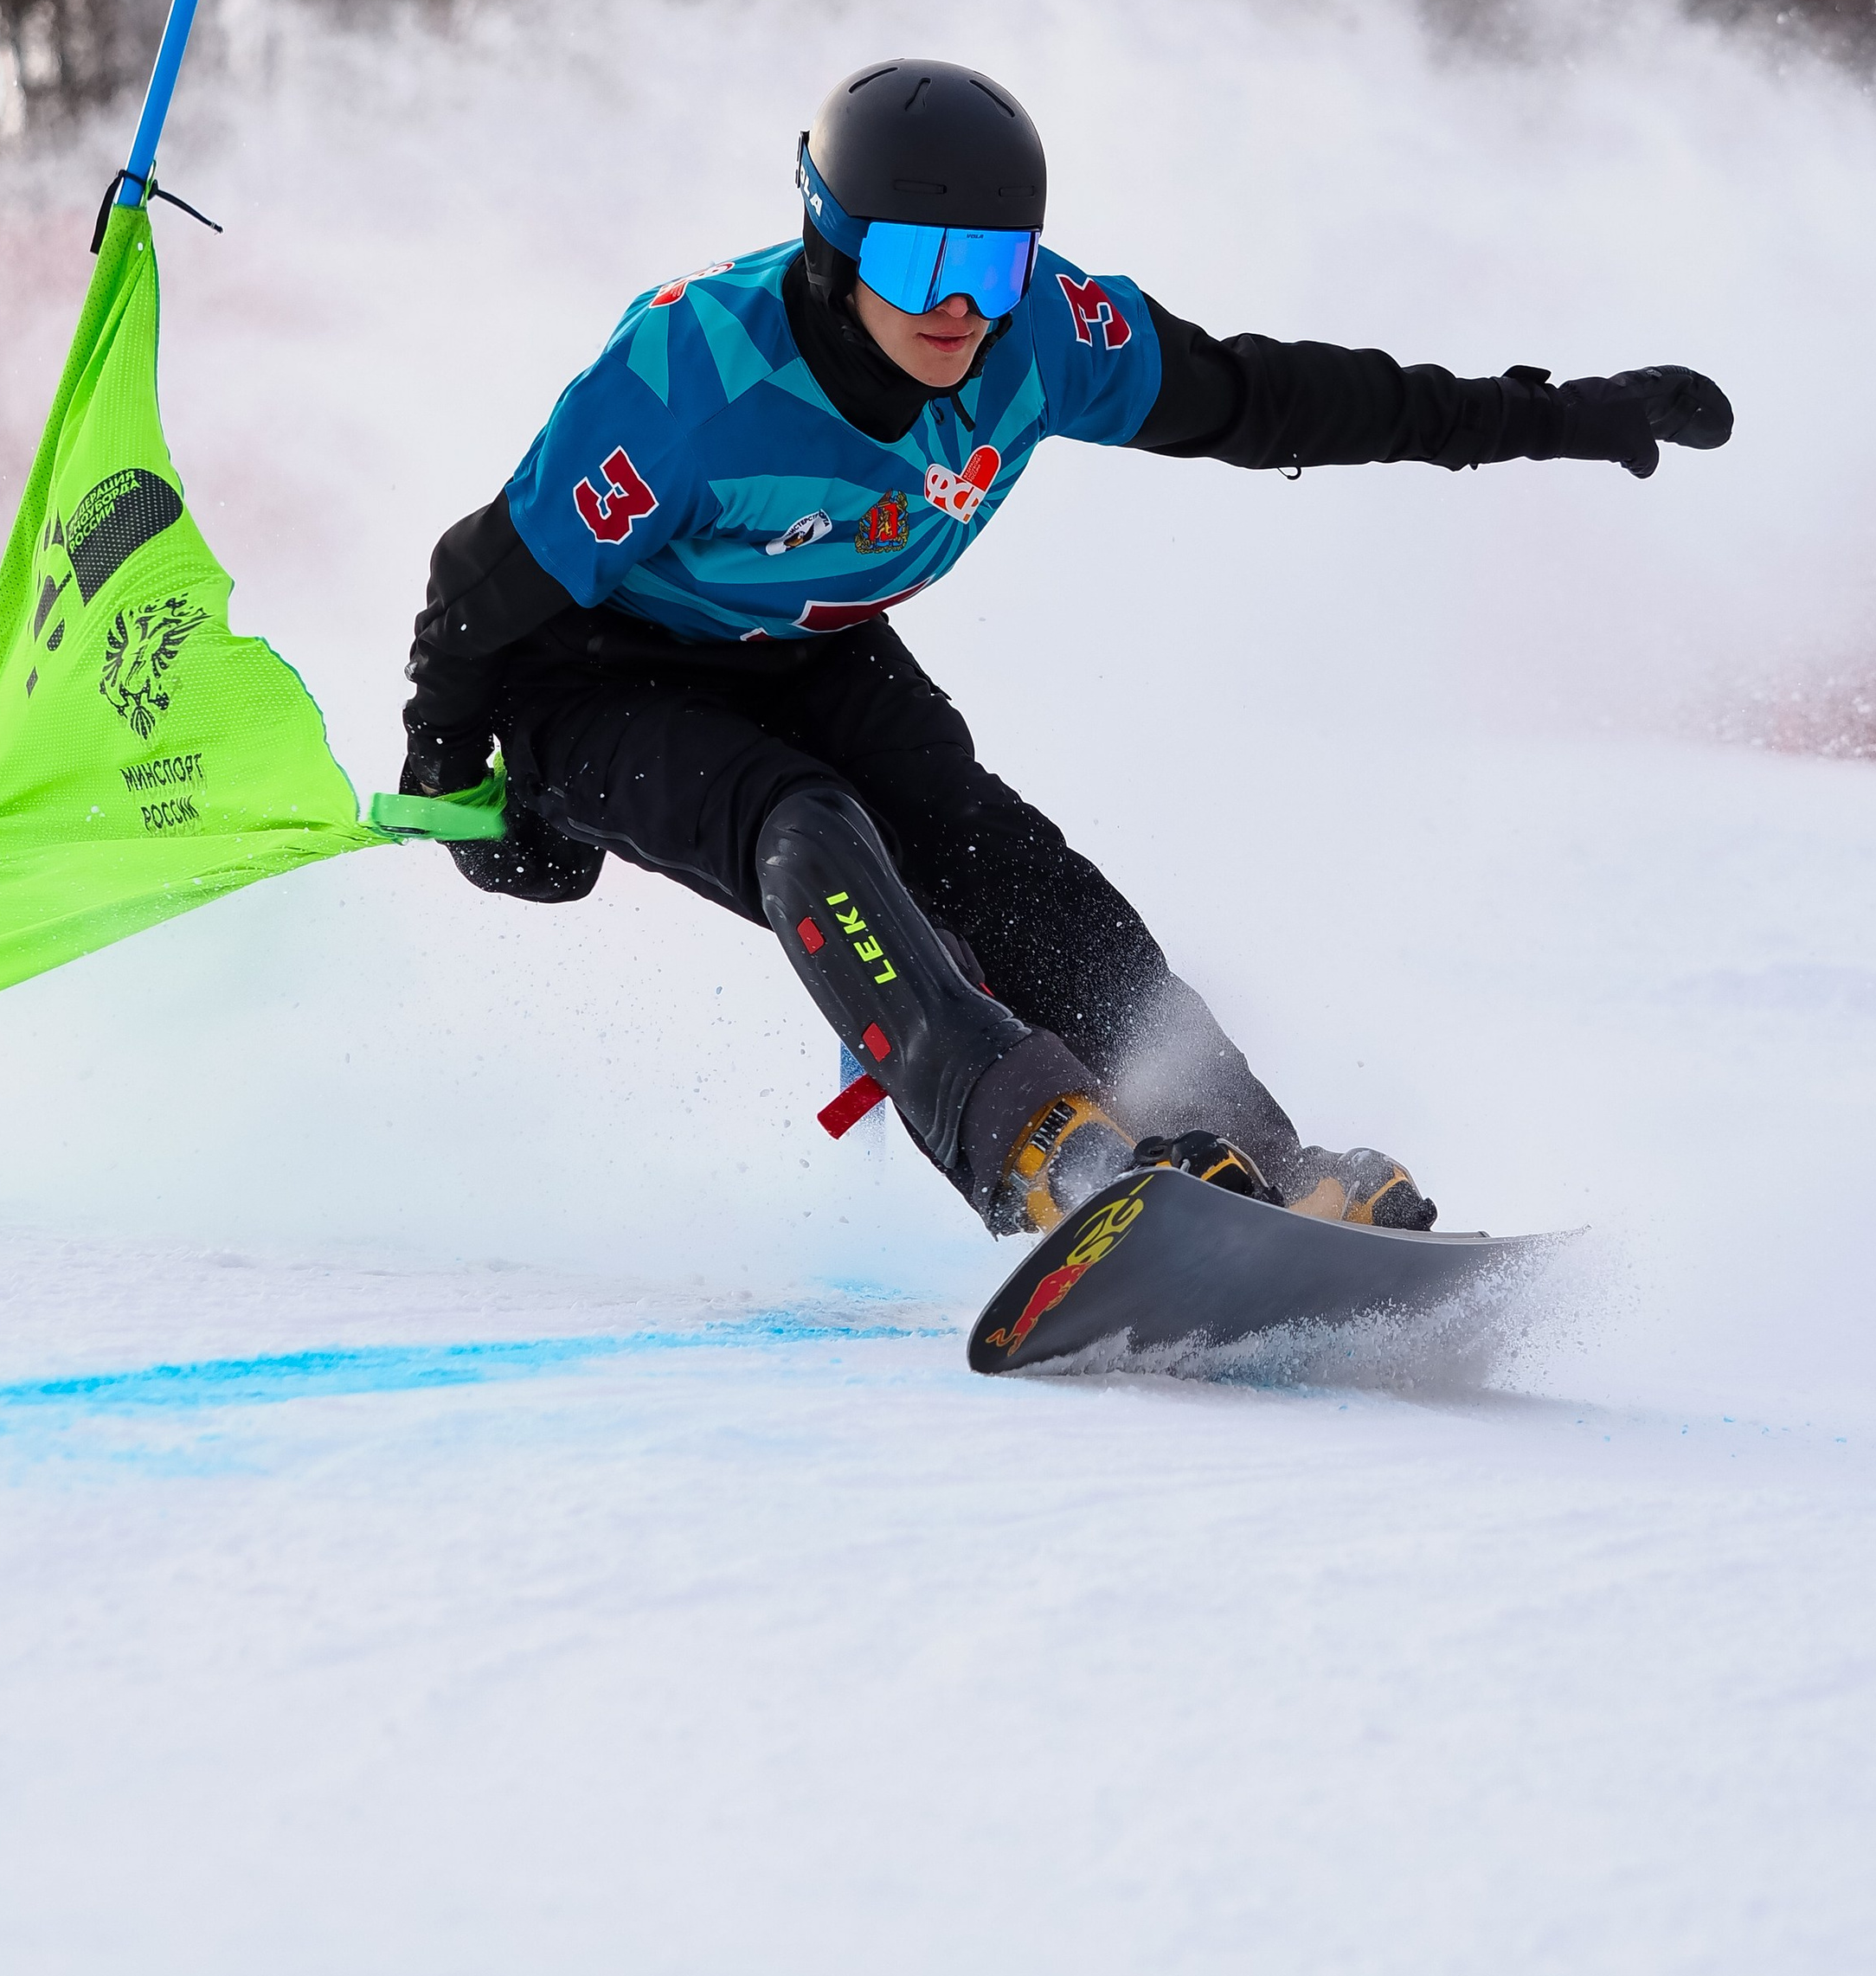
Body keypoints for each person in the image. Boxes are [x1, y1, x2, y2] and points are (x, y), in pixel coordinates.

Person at [400, 61, 1731, 1239]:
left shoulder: (1045, 337)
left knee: (1001, 859)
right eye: (922, 266)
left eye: (993, 265)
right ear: (832, 246)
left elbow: (1267, 402)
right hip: (590, 669)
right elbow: (476, 587)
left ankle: (1247, 1152)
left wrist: (1546, 414)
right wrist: (457, 782)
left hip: (809, 649)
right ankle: (1028, 1146)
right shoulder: (691, 376)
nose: (961, 309)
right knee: (805, 821)